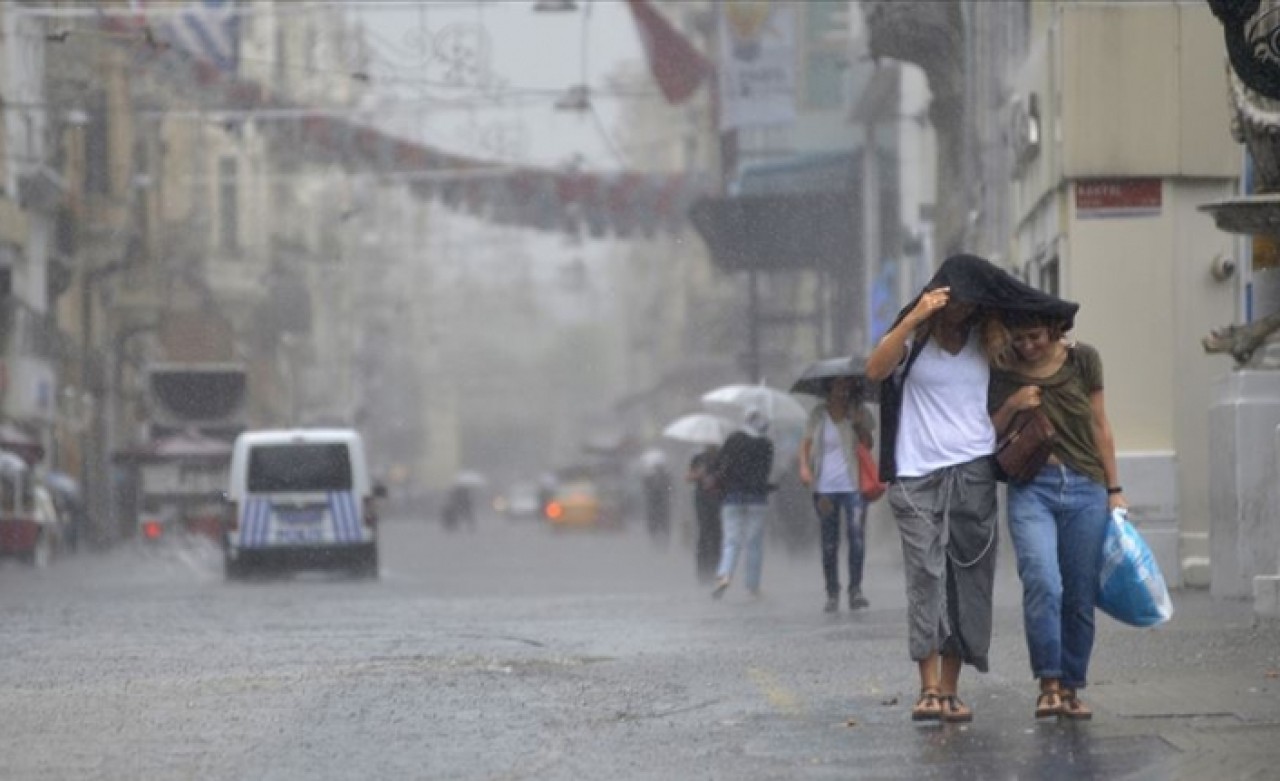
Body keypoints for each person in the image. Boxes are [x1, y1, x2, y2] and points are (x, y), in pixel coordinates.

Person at [866, 253, 1078, 724]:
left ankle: (950, 688)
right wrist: (916, 314)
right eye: (955, 302)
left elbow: (1043, 317)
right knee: (925, 574)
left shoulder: (989, 339)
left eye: (970, 304)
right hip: (916, 472)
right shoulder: (916, 338)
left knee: (968, 578)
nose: (961, 311)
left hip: (974, 470)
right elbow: (875, 370)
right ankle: (926, 687)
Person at [989, 312, 1124, 721]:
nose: (1027, 346)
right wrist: (1013, 403)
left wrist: (1115, 490)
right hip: (1033, 488)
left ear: (1053, 331)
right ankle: (1048, 683)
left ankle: (1071, 686)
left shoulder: (1083, 360)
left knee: (1080, 594)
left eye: (1034, 337)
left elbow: (1101, 424)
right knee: (1043, 581)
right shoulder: (1002, 369)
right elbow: (984, 432)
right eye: (1019, 338)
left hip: (1086, 486)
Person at [798, 376, 876, 613]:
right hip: (824, 488)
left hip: (853, 486)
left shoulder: (859, 411)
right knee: (829, 542)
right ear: (829, 388)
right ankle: (832, 592)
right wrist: (804, 467)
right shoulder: (818, 414)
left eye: (846, 386)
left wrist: (859, 424)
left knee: (857, 539)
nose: (843, 390)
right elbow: (806, 444)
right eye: (838, 386)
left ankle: (855, 590)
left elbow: (868, 444)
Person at [711, 407, 775, 599]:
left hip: (733, 496)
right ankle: (752, 586)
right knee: (754, 543)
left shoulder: (734, 439)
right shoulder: (766, 444)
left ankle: (724, 575)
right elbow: (766, 471)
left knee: (731, 540)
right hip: (757, 498)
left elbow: (718, 464)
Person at [686, 445, 722, 583]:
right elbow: (688, 476)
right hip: (702, 500)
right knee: (704, 533)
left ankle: (716, 568)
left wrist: (718, 477)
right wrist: (699, 475)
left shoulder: (724, 458)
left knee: (718, 535)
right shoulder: (698, 458)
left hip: (719, 499)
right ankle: (703, 571)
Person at [643, 456, 673, 543]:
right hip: (655, 503)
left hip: (662, 503)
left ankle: (663, 537)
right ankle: (655, 536)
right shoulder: (650, 477)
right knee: (656, 520)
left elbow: (670, 488)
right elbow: (646, 487)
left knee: (662, 521)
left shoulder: (666, 477)